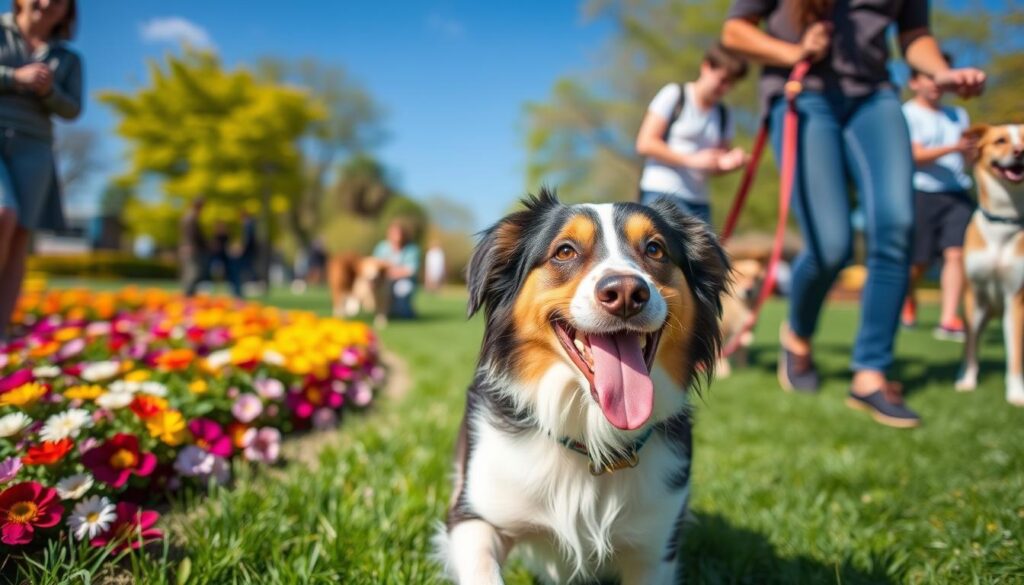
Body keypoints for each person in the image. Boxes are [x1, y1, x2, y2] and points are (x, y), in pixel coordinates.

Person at [723, 0, 985, 427]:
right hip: (805, 91)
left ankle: (871, 374)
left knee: (896, 225)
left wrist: (942, 73)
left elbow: (915, 35)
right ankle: (799, 335)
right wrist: (792, 52)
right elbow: (735, 31)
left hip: (874, 96)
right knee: (830, 245)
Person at [0, 0, 81, 341]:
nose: (47, 3)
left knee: (20, 238)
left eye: (59, 1)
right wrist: (14, 77)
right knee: (4, 213)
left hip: (35, 147)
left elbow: (73, 109)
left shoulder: (68, 58)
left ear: (66, 12)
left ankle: (0, 329)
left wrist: (49, 92)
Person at [900, 53, 976, 342]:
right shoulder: (908, 114)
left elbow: (966, 156)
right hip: (921, 191)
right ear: (914, 82)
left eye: (939, 77)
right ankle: (909, 298)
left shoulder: (958, 115)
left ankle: (948, 319)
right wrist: (954, 147)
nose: (935, 84)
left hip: (956, 192)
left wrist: (972, 152)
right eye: (928, 77)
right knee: (917, 262)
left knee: (956, 254)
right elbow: (915, 155)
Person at [635, 42, 750, 225]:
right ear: (706, 66)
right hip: (661, 193)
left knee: (705, 254)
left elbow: (715, 161)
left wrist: (728, 163)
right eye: (722, 79)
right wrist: (691, 160)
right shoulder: (675, 95)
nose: (725, 88)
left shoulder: (724, 114)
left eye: (731, 83)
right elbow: (645, 143)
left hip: (699, 201)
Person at [373, 221, 420, 319]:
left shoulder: (412, 249)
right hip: (383, 281)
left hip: (403, 281)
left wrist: (391, 271)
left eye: (399, 233)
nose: (397, 236)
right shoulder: (382, 247)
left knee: (403, 292)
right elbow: (376, 265)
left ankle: (405, 310)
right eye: (394, 233)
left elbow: (410, 270)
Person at [180, 198, 210, 297]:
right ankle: (188, 295)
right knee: (193, 273)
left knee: (191, 272)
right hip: (191, 249)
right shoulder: (191, 217)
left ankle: (189, 294)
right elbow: (193, 235)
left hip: (188, 248)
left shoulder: (188, 216)